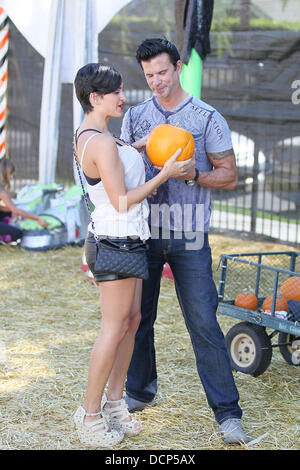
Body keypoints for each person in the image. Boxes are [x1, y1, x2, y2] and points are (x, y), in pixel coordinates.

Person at [120, 38, 249, 444]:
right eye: (149, 75)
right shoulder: (137, 116)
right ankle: (139, 392)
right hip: (142, 234)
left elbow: (229, 175)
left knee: (205, 325)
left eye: (162, 72)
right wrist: (137, 154)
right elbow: (122, 171)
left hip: (190, 236)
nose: (156, 81)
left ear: (178, 68)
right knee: (137, 320)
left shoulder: (207, 116)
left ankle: (228, 415)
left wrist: (194, 175)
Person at [72, 63, 191, 448]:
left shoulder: (98, 135)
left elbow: (116, 165)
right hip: (116, 239)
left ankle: (113, 403)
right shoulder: (101, 142)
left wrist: (140, 146)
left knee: (133, 321)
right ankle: (88, 415)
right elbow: (121, 200)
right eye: (116, 92)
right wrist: (165, 173)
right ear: (95, 97)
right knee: (113, 328)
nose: (124, 97)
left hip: (129, 239)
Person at [0, 157, 49, 243]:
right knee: (18, 234)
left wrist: (11, 210)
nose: (11, 177)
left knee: (10, 212)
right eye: (11, 174)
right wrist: (38, 219)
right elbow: (16, 210)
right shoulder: (1, 190)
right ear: (6, 174)